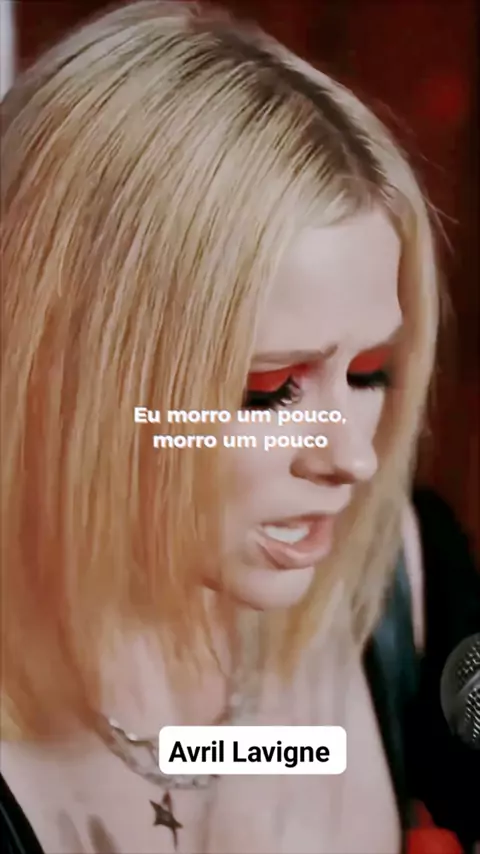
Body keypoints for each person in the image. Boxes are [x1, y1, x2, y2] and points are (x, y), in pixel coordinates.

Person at [1, 2, 476, 853]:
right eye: (269, 388)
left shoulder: (402, 577)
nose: (355, 458)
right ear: (70, 373)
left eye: (368, 372)